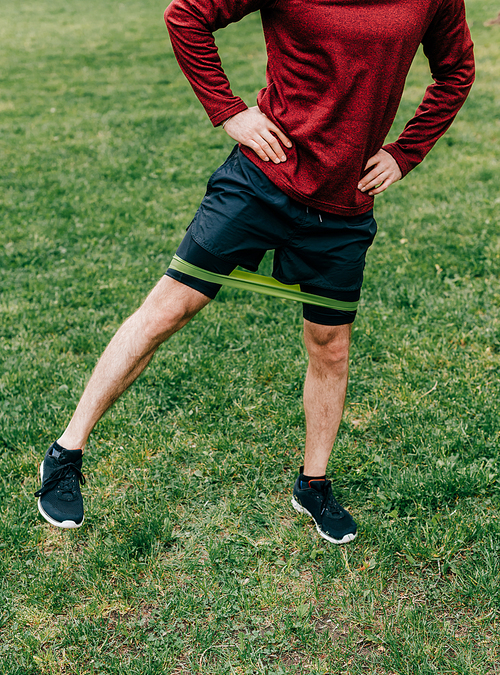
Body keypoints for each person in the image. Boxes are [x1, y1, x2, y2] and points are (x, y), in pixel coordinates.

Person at [35, 0, 475, 543]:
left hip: (344, 204)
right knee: (169, 309)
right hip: (261, 183)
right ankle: (66, 454)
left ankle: (313, 485)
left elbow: (456, 70)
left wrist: (407, 151)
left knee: (330, 345)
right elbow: (186, 15)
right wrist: (230, 110)